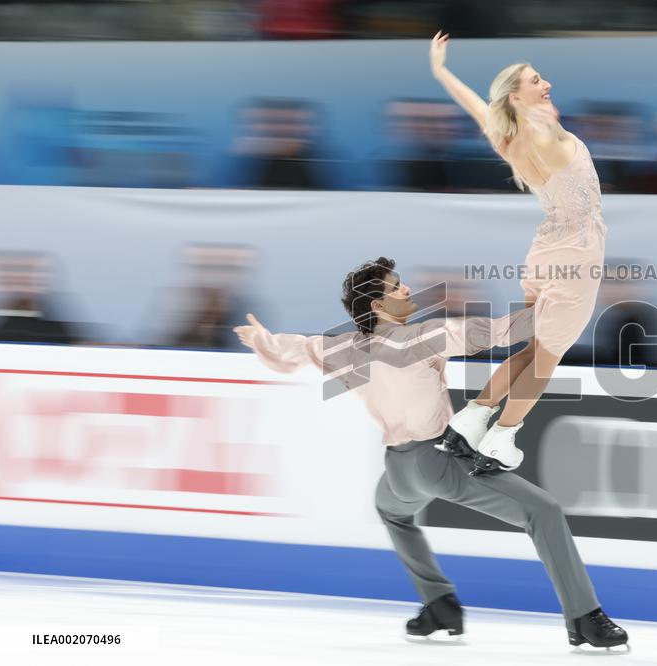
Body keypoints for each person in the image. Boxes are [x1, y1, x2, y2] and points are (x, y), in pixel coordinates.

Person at [234, 257, 628, 651]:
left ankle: (439, 603)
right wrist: (566, 303)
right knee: (542, 511)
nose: (407, 291)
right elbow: (501, 332)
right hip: (438, 461)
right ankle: (584, 616)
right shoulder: (422, 337)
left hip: (398, 471)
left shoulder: (341, 348)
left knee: (392, 511)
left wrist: (261, 340)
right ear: (377, 306)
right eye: (396, 287)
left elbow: (294, 350)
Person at [429, 32, 607, 474]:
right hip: (576, 259)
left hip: (544, 254)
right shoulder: (539, 136)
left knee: (530, 349)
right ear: (516, 95)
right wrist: (538, 117)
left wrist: (441, 71)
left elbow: (476, 107)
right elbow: (544, 135)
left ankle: (470, 421)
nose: (545, 84)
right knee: (546, 360)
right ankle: (501, 439)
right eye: (535, 80)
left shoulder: (506, 139)